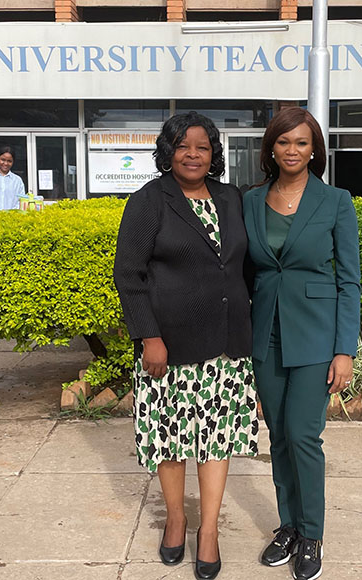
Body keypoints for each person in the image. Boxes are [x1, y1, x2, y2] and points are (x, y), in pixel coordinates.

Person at [114, 111, 258, 580]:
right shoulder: (148, 202)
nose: (193, 153)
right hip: (169, 349)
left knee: (216, 443)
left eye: (202, 145)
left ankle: (210, 531)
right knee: (172, 442)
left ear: (214, 153)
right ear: (168, 151)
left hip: (226, 347)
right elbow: (128, 276)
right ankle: (176, 520)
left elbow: (242, 268)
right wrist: (148, 337)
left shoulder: (230, 197)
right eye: (182, 145)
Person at [242, 107, 361, 580]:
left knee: (303, 436)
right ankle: (288, 526)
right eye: (285, 142)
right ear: (271, 147)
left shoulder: (335, 201)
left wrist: (344, 349)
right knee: (278, 436)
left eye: (302, 143)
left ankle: (312, 535)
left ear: (315, 151)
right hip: (265, 333)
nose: (293, 150)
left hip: (315, 334)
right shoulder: (251, 201)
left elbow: (349, 281)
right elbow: (244, 270)